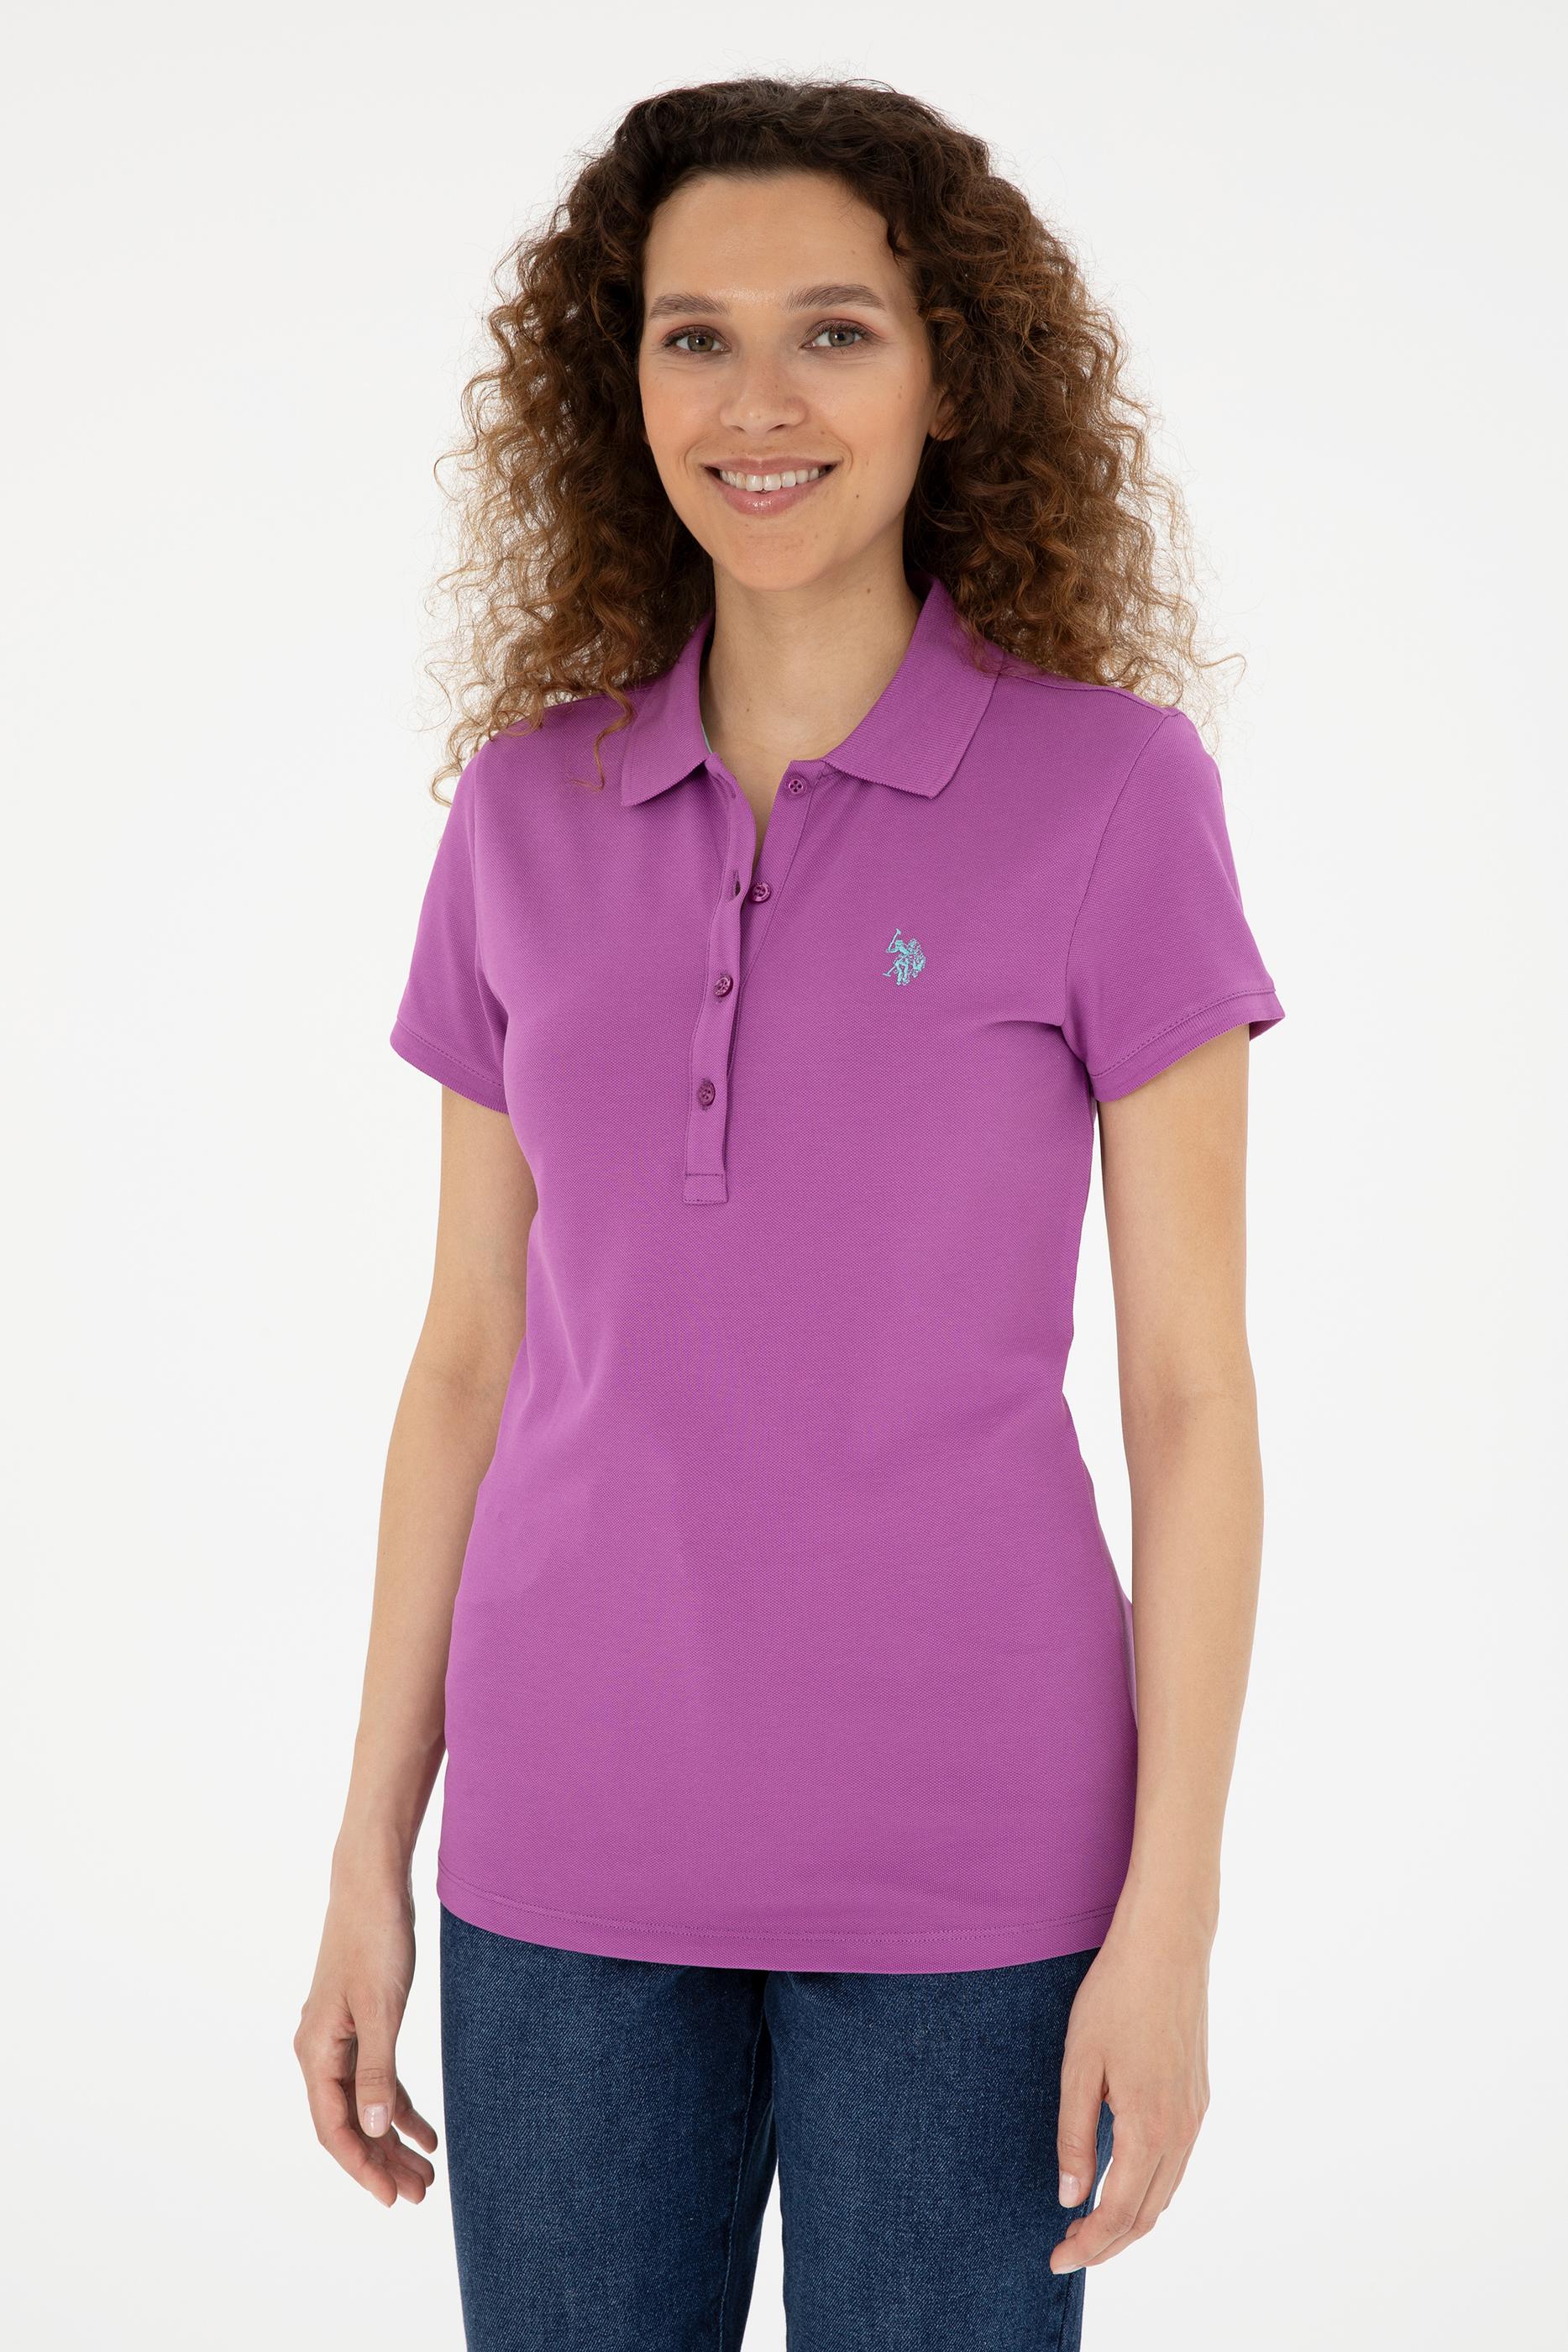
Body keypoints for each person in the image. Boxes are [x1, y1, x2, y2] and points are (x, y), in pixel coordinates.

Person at [294, 74, 1286, 2352]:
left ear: (950, 376)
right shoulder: (523, 810)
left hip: (977, 1870)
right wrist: (367, 1850)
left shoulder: (1112, 795)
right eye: (694, 337)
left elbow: (1190, 1396)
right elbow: (465, 1363)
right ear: (621, 386)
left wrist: (1172, 1916)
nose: (759, 403)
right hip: (561, 1851)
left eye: (834, 332)